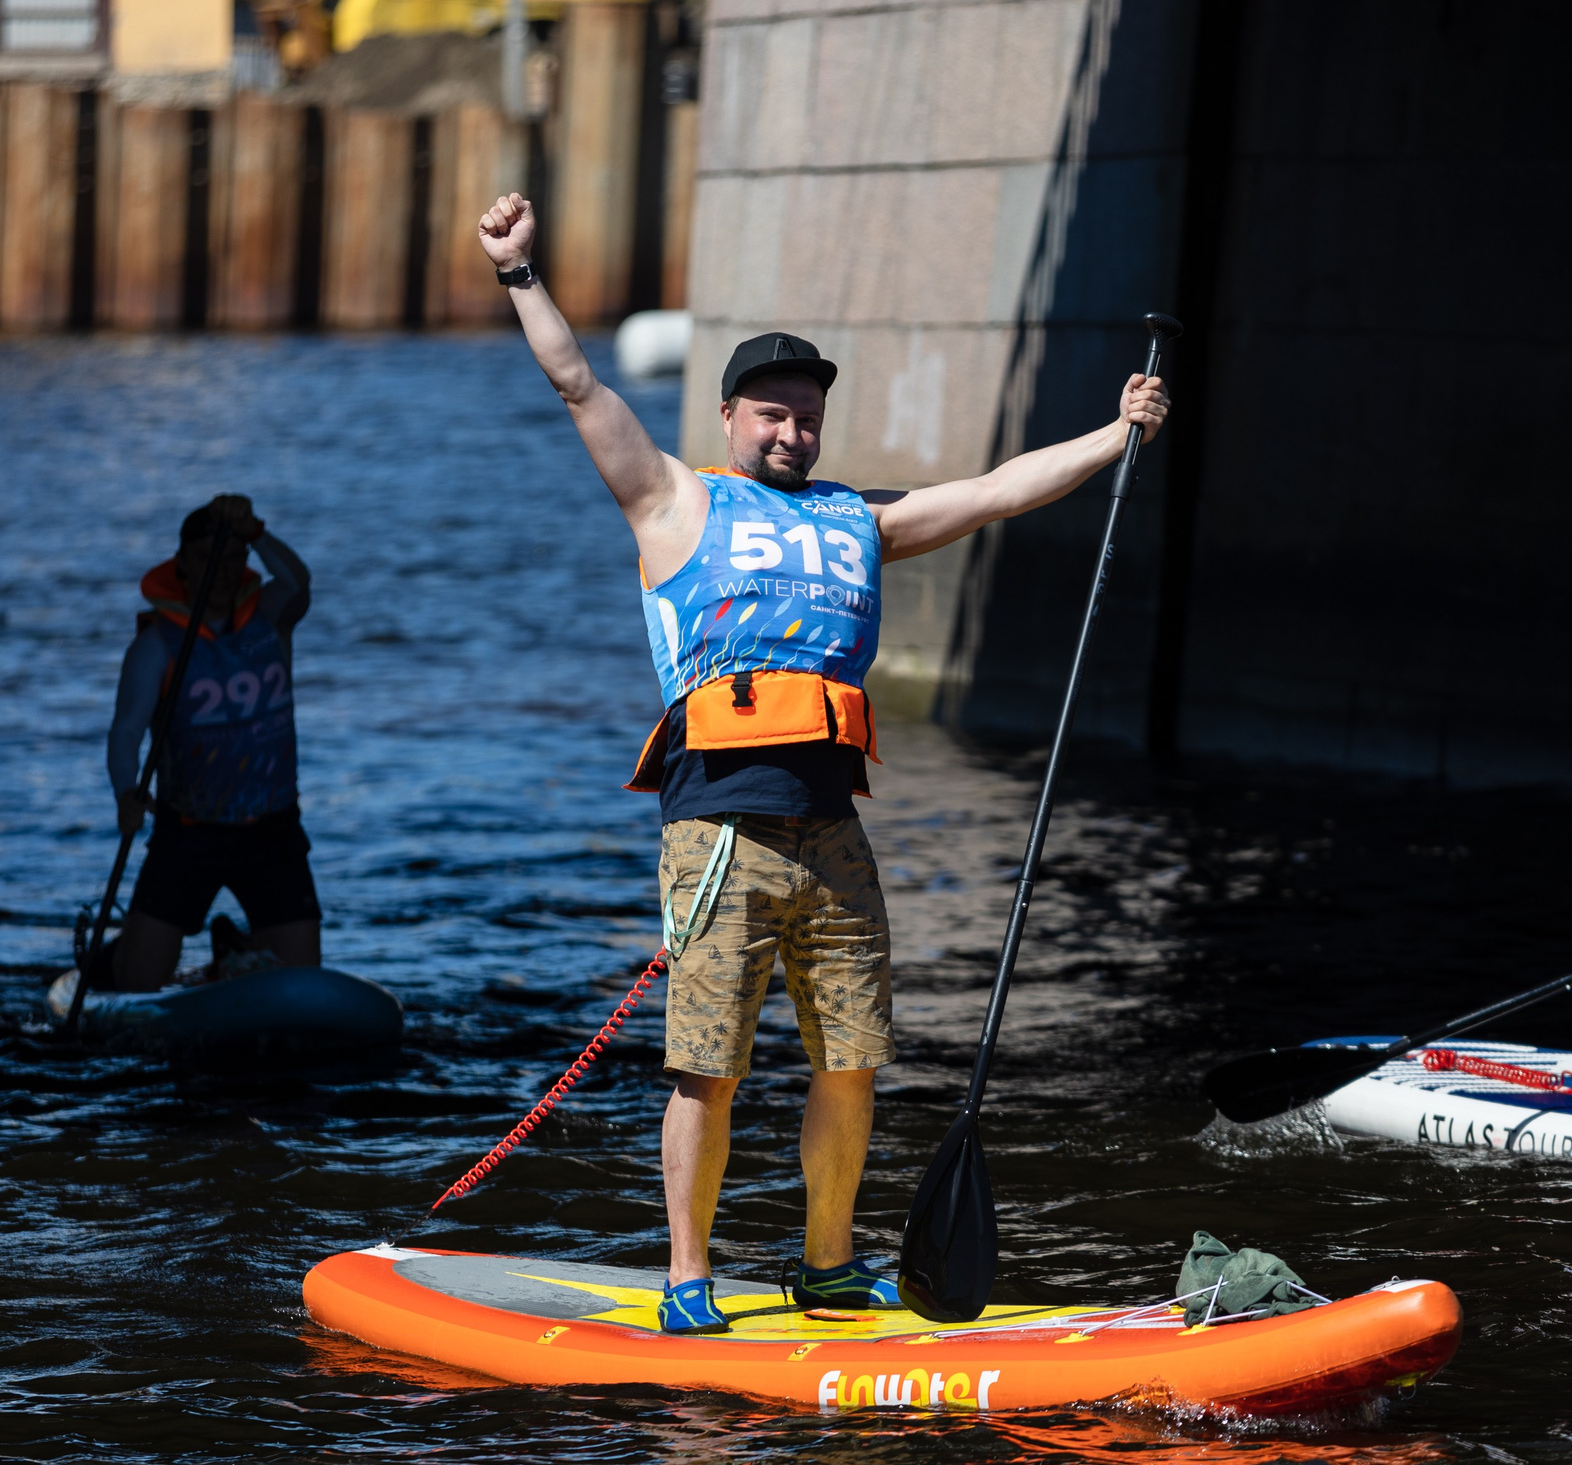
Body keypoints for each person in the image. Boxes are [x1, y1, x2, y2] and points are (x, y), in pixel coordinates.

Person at [477, 190, 1171, 1332]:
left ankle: (827, 1262)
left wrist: (1117, 433)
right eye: (771, 416)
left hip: (833, 837)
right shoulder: (671, 499)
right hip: (719, 837)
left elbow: (996, 491)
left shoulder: (863, 517)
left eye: (806, 418)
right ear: (731, 415)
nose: (792, 434)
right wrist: (520, 274)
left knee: (853, 1062)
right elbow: (578, 385)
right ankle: (687, 1277)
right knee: (708, 1069)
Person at [102, 494, 320, 992]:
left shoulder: (272, 615)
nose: (221, 571)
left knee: (303, 981)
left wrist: (255, 531)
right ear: (181, 566)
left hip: (273, 829)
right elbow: (126, 732)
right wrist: (125, 793)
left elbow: (298, 581)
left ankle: (233, 954)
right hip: (190, 832)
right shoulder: (155, 646)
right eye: (206, 559)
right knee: (137, 982)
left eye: (232, 558)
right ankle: (113, 957)